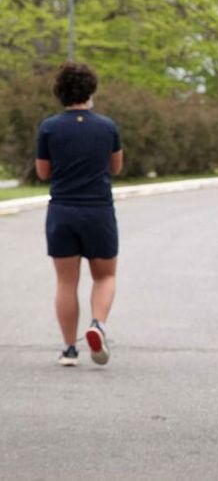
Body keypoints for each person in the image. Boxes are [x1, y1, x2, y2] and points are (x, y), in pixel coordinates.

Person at [36, 62, 123, 367]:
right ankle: (96, 324)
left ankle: (69, 349)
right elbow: (116, 168)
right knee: (105, 275)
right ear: (91, 90)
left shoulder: (49, 128)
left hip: (62, 211)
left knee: (65, 282)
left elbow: (43, 172)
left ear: (59, 92)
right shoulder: (108, 127)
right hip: (98, 210)